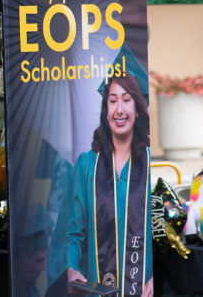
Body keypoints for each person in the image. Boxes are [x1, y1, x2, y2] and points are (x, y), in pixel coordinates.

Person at [64, 73, 153, 297]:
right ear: (106, 111)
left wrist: (156, 277)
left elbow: (164, 237)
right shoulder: (87, 166)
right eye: (113, 101)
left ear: (138, 108)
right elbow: (75, 233)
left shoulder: (153, 165)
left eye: (126, 100)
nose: (119, 110)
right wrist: (72, 270)